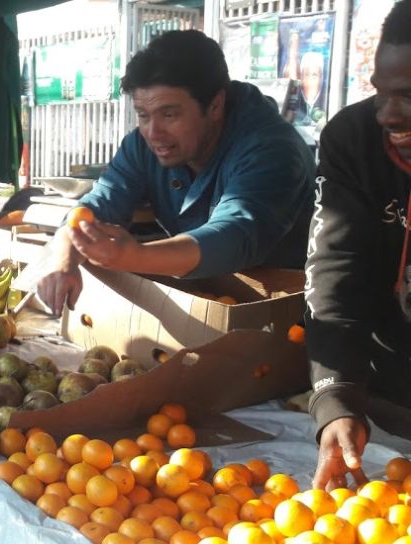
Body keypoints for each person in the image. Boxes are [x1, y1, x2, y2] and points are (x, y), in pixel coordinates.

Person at [37, 30, 315, 316]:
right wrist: (63, 255)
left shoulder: (272, 151)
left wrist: (135, 256)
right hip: (207, 301)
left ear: (215, 105)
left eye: (169, 115)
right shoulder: (143, 147)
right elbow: (100, 204)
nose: (153, 133)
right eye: (143, 115)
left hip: (285, 313)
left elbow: (234, 235)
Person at [304, 0, 411, 491]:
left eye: (409, 96)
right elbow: (334, 272)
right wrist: (336, 398)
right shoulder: (354, 140)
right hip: (387, 382)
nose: (389, 114)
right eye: (380, 93)